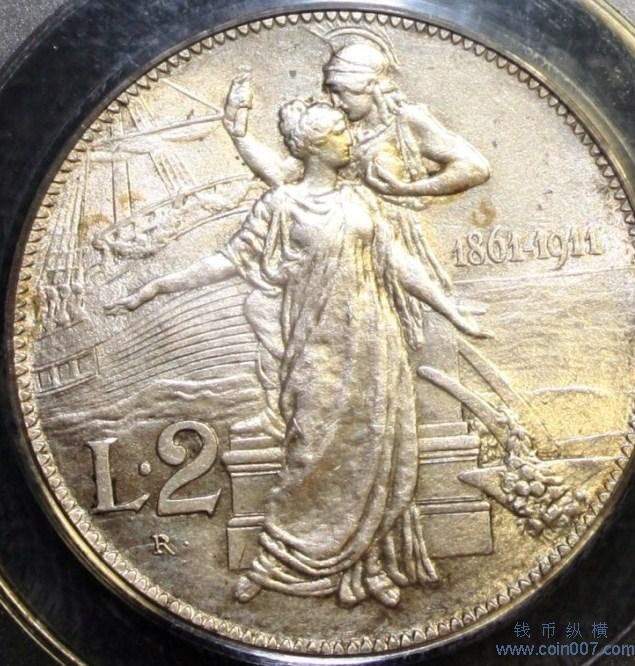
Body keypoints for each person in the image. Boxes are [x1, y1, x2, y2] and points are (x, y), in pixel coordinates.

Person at [108, 99, 487, 608]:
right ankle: (274, 561)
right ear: (312, 147)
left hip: (375, 341)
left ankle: (367, 565)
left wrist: (451, 309)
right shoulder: (280, 206)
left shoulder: (361, 200)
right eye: (337, 133)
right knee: (309, 452)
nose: (348, 138)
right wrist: (158, 286)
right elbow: (228, 259)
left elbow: (397, 263)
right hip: (316, 347)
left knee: (377, 449)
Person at [222, 30, 490, 437]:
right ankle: (289, 408)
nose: (334, 99)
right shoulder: (339, 130)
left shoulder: (406, 121)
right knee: (265, 308)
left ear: (372, 86)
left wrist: (408, 189)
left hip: (387, 239)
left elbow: (474, 168)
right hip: (336, 236)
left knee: (390, 347)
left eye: (341, 90)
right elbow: (283, 176)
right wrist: (240, 136)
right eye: (330, 90)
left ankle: (387, 429)